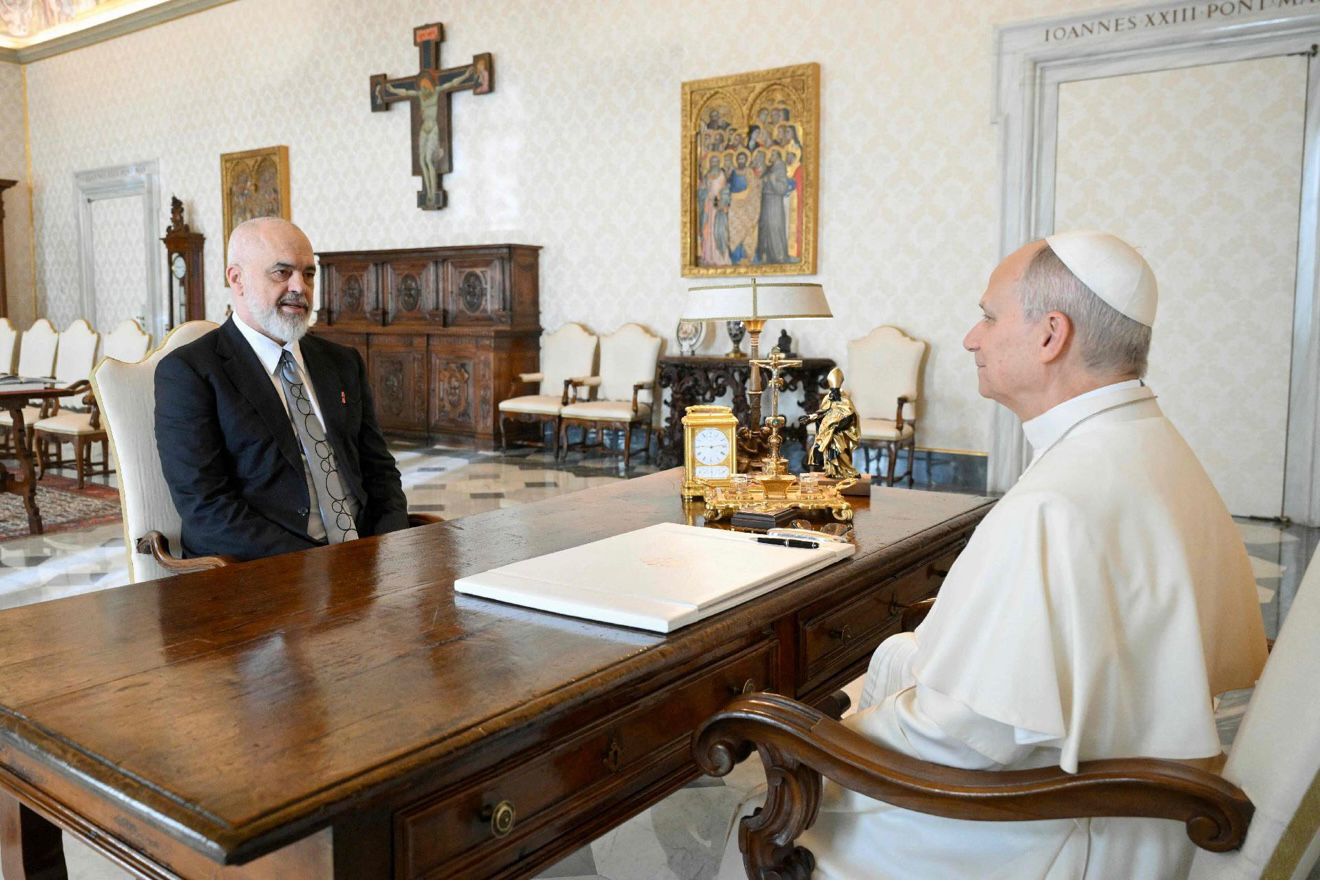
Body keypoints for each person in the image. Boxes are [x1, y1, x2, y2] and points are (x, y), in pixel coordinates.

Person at [731, 231, 1269, 878]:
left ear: (1051, 336)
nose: (970, 338)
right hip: (1127, 806)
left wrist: (829, 735)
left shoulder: (1057, 502)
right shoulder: (1146, 441)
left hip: (1048, 834)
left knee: (768, 809)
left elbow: (966, 739)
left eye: (988, 316)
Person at [155, 218, 408, 561]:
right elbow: (206, 508)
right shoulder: (189, 373)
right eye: (281, 272)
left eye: (308, 274)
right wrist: (319, 564)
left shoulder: (341, 362)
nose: (299, 287)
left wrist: (390, 546)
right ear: (237, 279)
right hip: (263, 570)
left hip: (365, 557)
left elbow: (380, 472)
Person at [799, 367, 860, 480]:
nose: (833, 392)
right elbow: (822, 411)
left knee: (839, 448)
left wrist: (839, 425)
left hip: (842, 430)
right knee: (829, 448)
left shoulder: (845, 400)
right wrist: (810, 417)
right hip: (828, 430)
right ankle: (832, 470)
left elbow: (851, 414)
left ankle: (847, 470)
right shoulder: (828, 398)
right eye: (832, 390)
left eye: (835, 390)